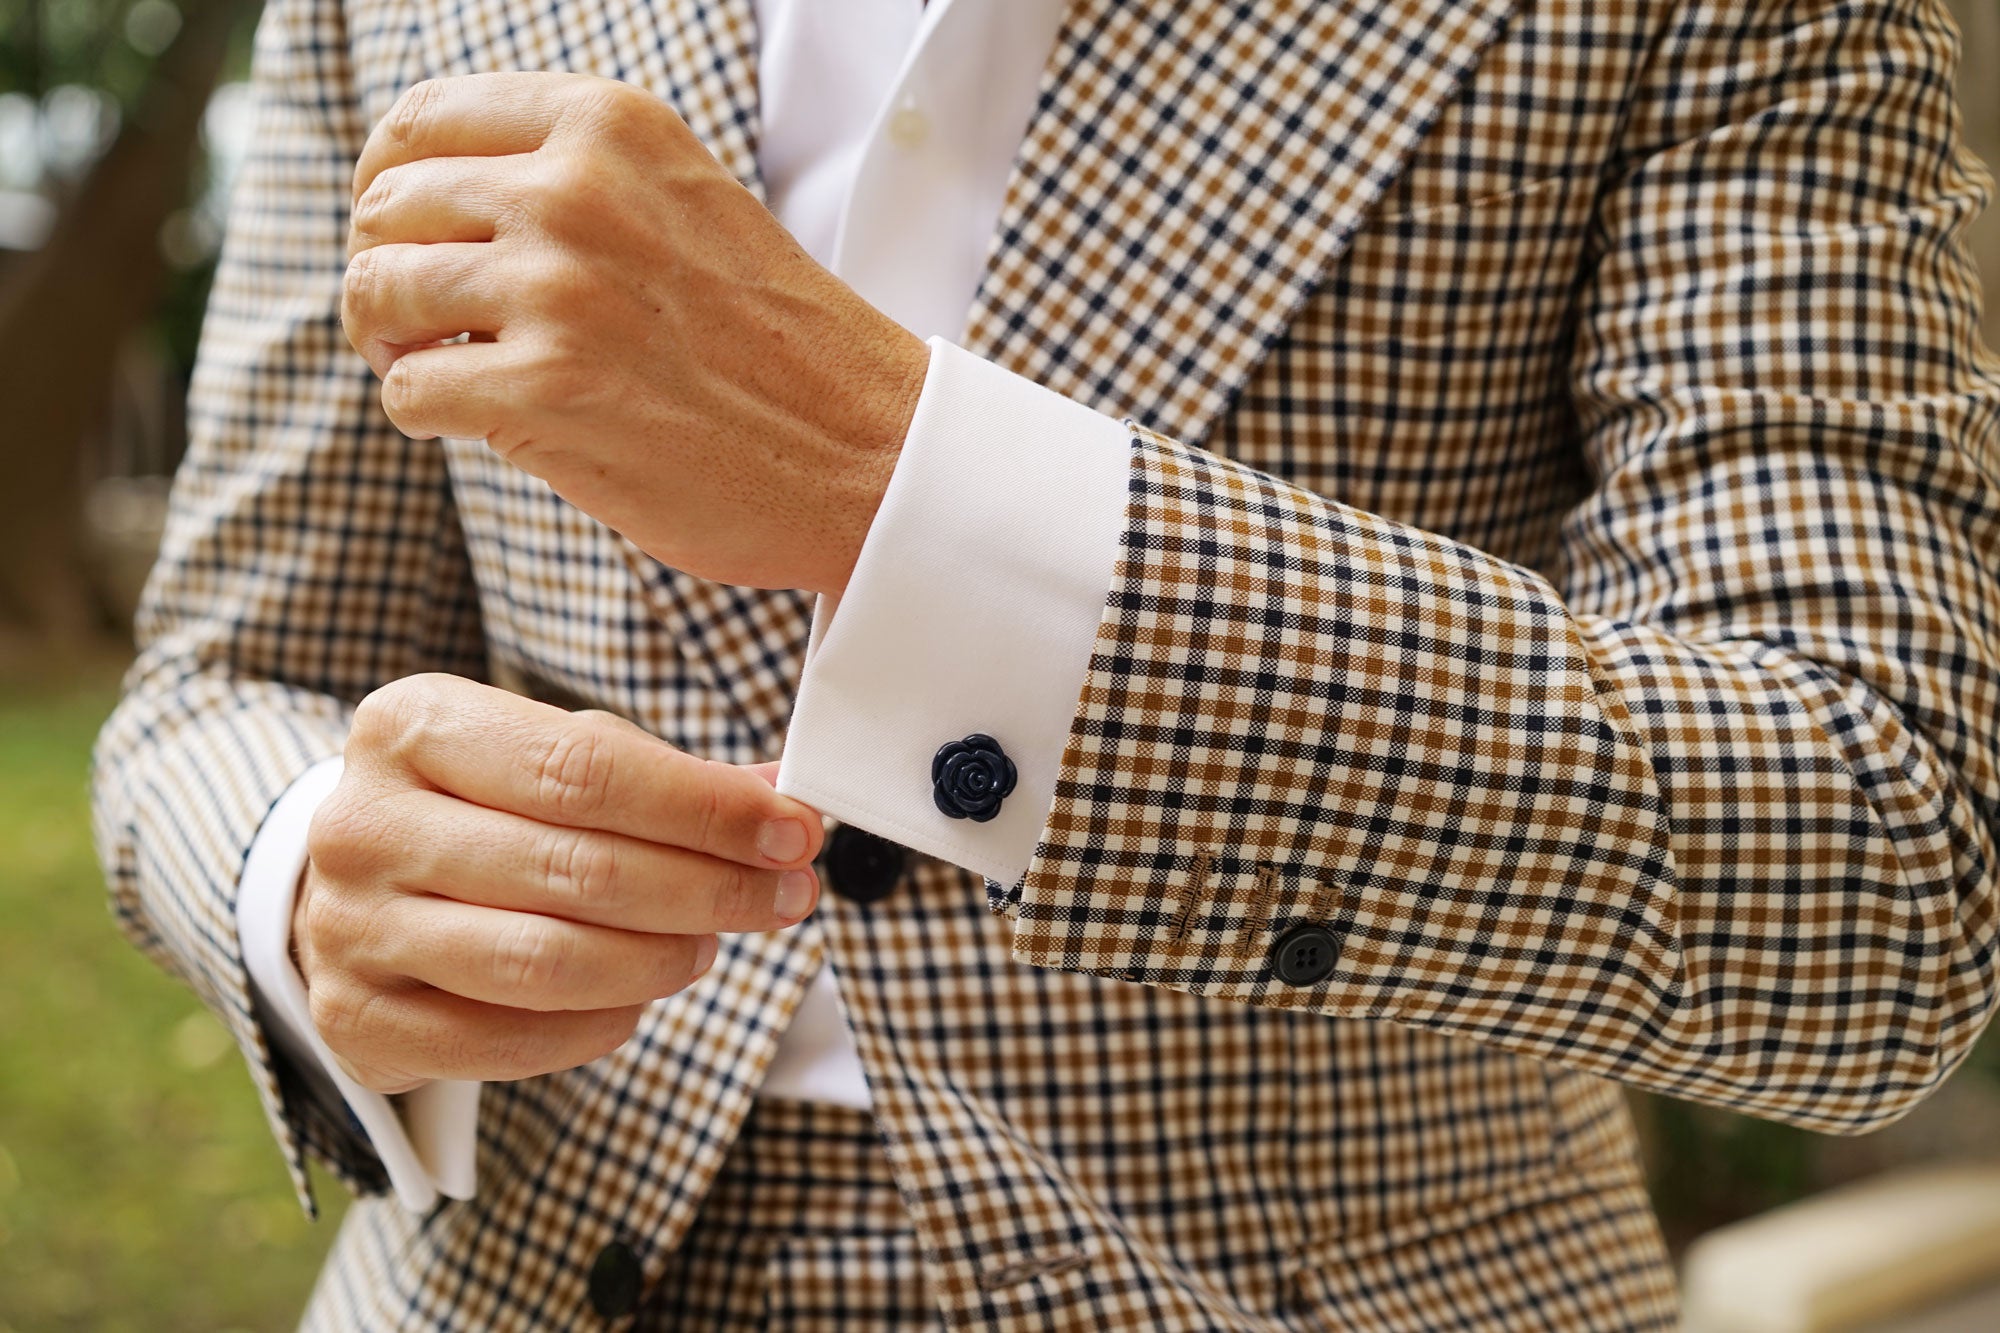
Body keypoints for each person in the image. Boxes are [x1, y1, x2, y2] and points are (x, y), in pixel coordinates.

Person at [93, 0, 2000, 1326]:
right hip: (506, 1270)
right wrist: (298, 868)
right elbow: (216, 684)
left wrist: (896, 480)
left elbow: (1876, 867)